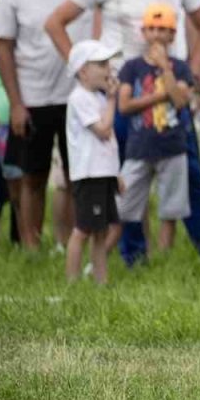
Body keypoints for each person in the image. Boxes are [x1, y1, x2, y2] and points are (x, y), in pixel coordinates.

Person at [45, 0, 200, 266]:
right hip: (123, 89)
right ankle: (133, 255)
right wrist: (82, 67)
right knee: (125, 178)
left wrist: (194, 68)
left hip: (171, 90)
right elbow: (56, 22)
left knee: (189, 174)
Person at [0, 0, 91, 249]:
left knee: (81, 176)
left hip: (79, 95)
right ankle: (32, 248)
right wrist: (16, 104)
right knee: (32, 177)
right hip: (33, 97)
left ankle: (76, 243)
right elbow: (2, 46)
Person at [115, 4, 193, 254]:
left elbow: (181, 101)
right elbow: (124, 105)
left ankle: (163, 259)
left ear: (173, 35)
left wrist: (164, 67)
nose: (158, 35)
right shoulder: (131, 67)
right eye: (152, 29)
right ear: (143, 32)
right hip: (139, 147)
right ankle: (131, 252)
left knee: (170, 210)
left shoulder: (180, 67)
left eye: (164, 29)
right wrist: (161, 96)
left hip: (172, 145)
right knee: (124, 206)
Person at [64, 40, 121, 284]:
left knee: (102, 229)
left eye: (108, 63)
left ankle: (101, 280)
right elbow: (103, 131)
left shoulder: (97, 97)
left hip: (102, 173)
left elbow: (110, 143)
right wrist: (112, 100)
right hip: (89, 174)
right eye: (101, 64)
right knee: (83, 229)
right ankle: (72, 281)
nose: (108, 69)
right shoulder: (79, 98)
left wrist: (115, 173)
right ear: (83, 71)